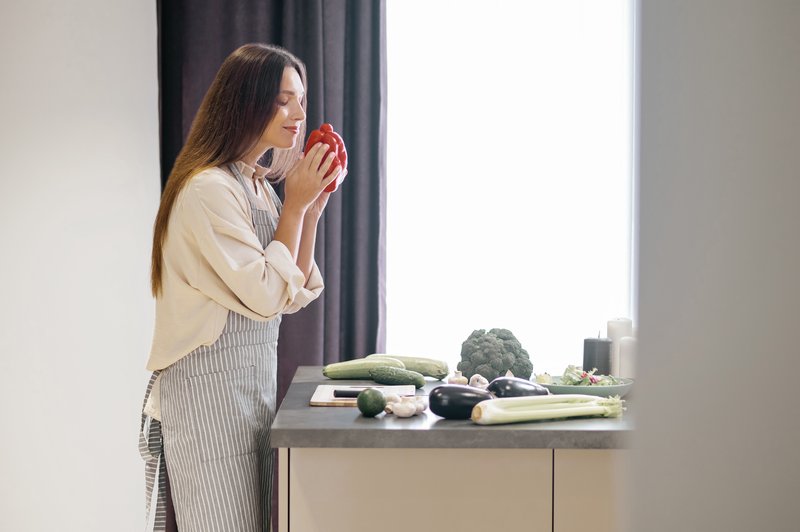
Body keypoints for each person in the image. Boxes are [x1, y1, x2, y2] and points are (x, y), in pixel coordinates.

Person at [139, 43, 343, 532]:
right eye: (283, 100)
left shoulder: (253, 186)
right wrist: (293, 207)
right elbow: (267, 293)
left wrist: (309, 209)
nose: (298, 114)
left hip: (247, 394)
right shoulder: (210, 190)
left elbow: (291, 294)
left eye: (301, 99)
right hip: (207, 402)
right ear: (246, 101)